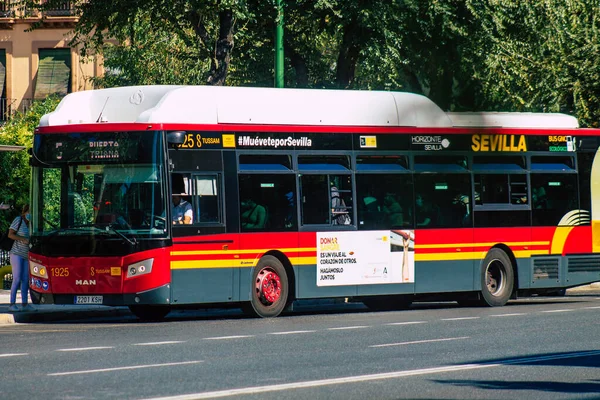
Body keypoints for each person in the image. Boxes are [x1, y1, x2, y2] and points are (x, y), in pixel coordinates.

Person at [8, 204, 33, 312]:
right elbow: (10, 234)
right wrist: (22, 239)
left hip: (26, 255)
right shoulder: (18, 220)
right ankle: (12, 303)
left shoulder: (32, 224)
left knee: (25, 279)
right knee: (17, 278)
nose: (31, 215)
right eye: (30, 212)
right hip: (16, 253)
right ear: (25, 212)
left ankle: (24, 304)